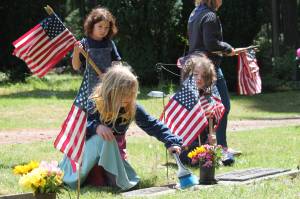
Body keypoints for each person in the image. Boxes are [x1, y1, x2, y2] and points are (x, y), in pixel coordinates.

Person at [60, 65, 182, 191]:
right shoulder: (94, 103)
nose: (128, 97)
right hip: (85, 155)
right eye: (123, 93)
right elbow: (76, 125)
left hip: (114, 155)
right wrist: (96, 127)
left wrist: (171, 141)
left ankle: (116, 179)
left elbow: (152, 124)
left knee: (124, 169)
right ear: (110, 90)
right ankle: (78, 179)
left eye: (131, 93)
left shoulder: (131, 107)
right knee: (103, 139)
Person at [187, 0, 241, 157]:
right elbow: (211, 44)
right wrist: (228, 48)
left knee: (206, 109)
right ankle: (220, 147)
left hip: (196, 66)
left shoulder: (195, 13)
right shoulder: (210, 16)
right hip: (209, 69)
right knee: (221, 107)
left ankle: (208, 148)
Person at [72, 6, 121, 96]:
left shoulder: (109, 44)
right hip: (89, 89)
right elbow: (76, 66)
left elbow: (117, 64)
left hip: (108, 87)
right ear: (91, 25)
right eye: (100, 26)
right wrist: (76, 51)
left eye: (106, 27)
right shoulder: (83, 44)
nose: (103, 30)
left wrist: (109, 76)